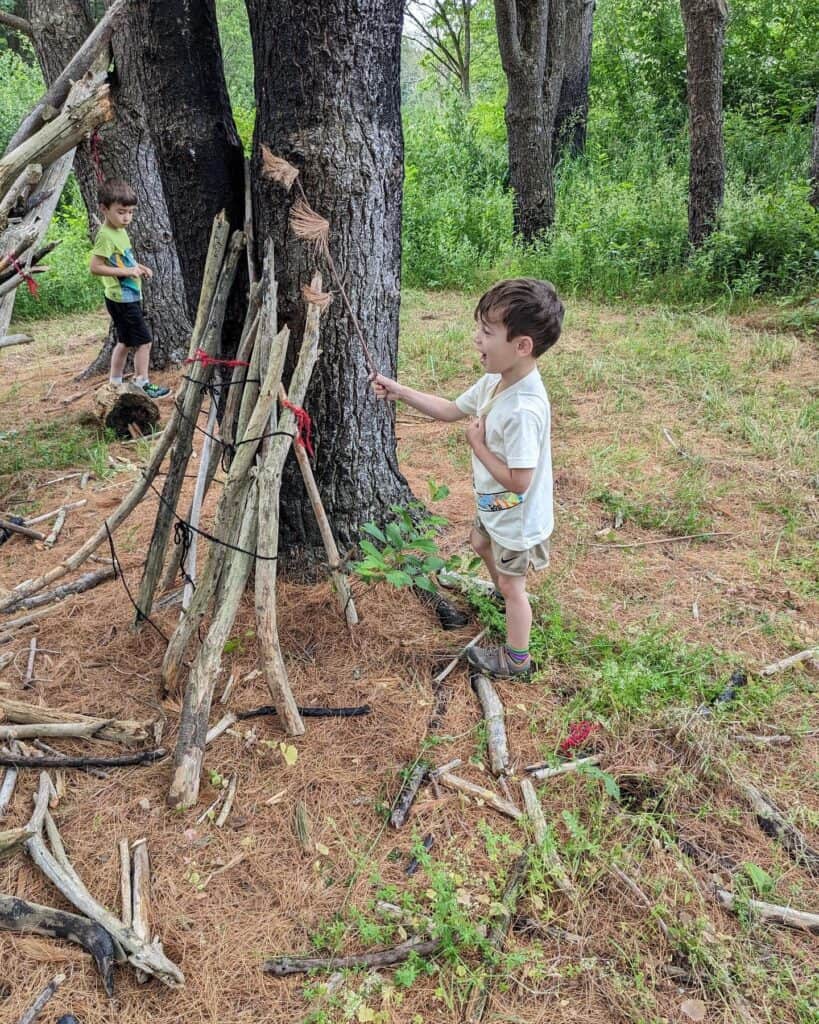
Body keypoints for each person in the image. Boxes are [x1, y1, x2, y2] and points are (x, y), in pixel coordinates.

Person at [372, 278, 563, 678]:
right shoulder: (497, 381)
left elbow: (519, 481)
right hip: (496, 506)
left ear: (521, 345)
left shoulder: (523, 408)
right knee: (479, 541)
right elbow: (449, 409)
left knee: (515, 588)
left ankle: (516, 659)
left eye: (487, 332)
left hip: (517, 514)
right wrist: (399, 391)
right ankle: (502, 597)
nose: (476, 339)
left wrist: (477, 446)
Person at [89, 179, 170, 399]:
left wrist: (139, 267)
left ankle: (115, 383)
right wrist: (127, 273)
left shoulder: (120, 231)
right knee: (145, 341)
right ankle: (142, 382)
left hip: (128, 296)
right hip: (121, 298)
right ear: (104, 209)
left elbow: (123, 260)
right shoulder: (106, 235)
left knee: (124, 341)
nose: (127, 218)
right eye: (121, 212)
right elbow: (95, 267)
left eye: (131, 212)